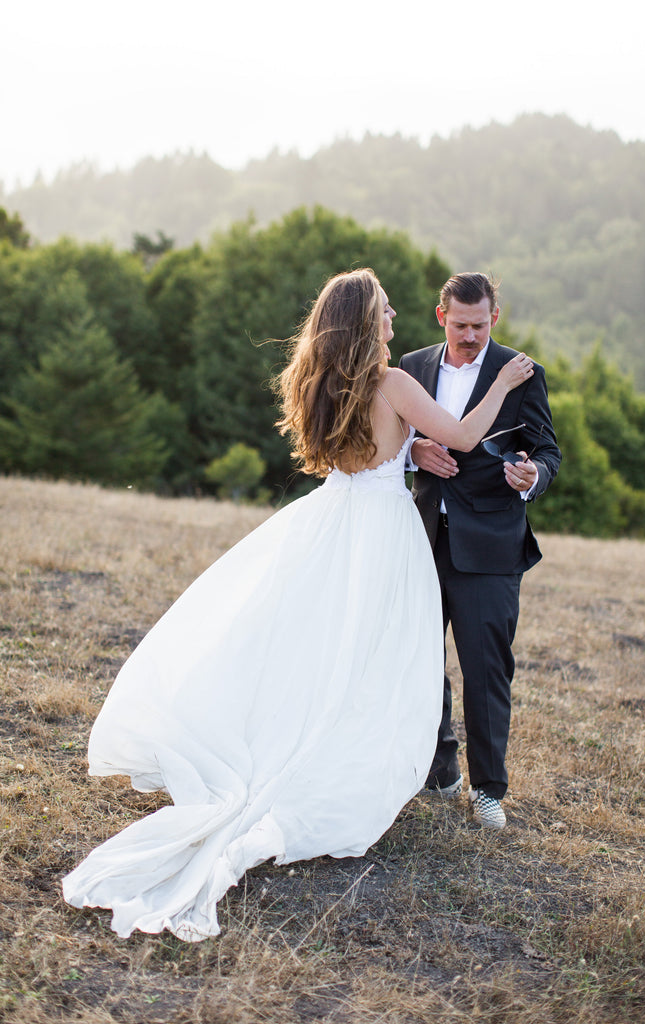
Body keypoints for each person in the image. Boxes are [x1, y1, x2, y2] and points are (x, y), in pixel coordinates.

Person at [62, 269, 534, 941]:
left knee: (316, 644)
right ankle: (347, 758)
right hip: (381, 532)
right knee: (374, 652)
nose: (395, 316)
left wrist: (407, 453)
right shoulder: (392, 382)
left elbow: (367, 453)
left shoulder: (322, 382)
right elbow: (460, 438)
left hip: (332, 517)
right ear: (366, 319)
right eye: (385, 309)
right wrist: (503, 386)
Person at [399, 272, 561, 829]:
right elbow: (390, 436)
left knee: (486, 668)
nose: (471, 335)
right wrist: (415, 450)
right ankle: (441, 770)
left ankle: (488, 789)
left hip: (491, 542)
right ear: (441, 317)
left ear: (496, 317)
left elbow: (547, 450)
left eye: (482, 324)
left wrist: (533, 474)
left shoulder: (520, 372)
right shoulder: (413, 365)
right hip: (421, 535)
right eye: (461, 324)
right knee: (421, 661)